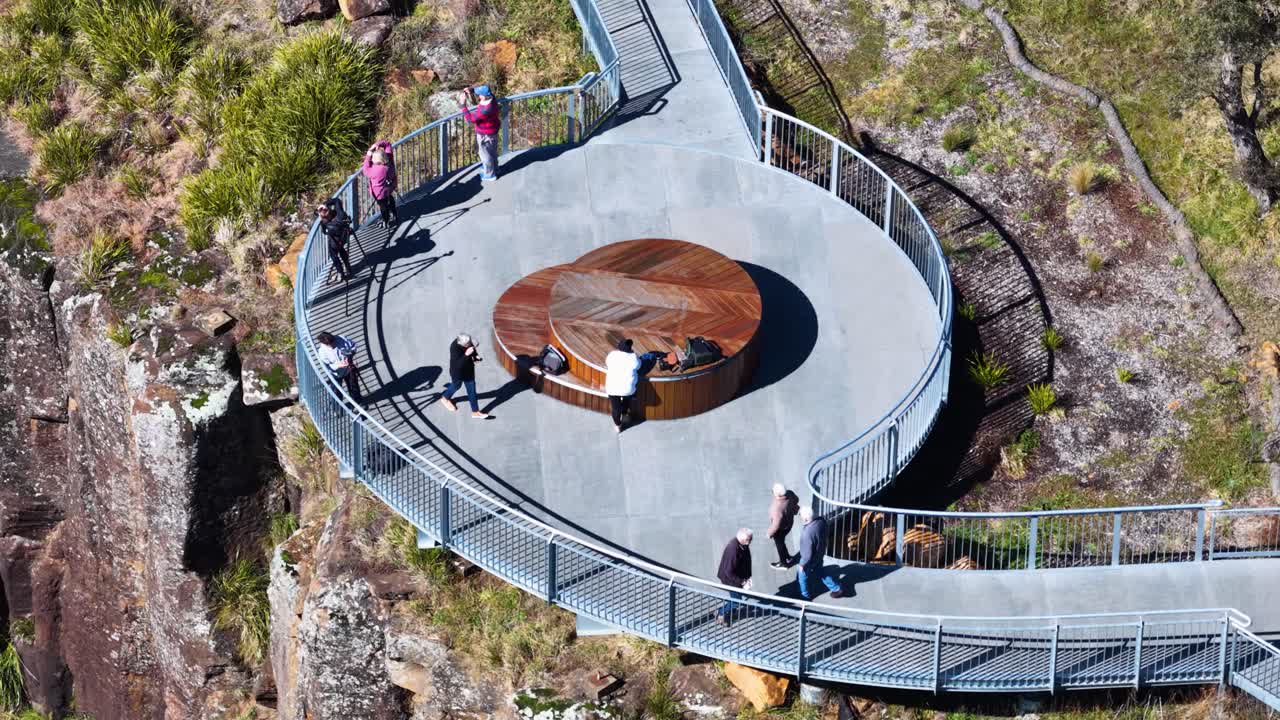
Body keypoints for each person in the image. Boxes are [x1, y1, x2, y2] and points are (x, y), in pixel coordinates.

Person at [439, 333, 491, 419]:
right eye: (468, 344)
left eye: (470, 342)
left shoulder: (467, 341)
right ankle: (445, 397)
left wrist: (475, 356)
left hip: (469, 371)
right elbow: (458, 365)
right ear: (462, 344)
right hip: (457, 372)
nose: (470, 344)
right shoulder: (454, 348)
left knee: (472, 390)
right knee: (456, 385)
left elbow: (472, 347)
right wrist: (467, 354)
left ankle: (475, 412)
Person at [456, 85, 501, 181]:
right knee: (492, 151)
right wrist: (471, 90)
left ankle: (490, 175)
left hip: (485, 134)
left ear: (484, 96)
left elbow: (471, 119)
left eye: (479, 95)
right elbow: (483, 90)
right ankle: (495, 169)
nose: (478, 96)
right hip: (493, 131)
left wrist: (463, 105)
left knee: (485, 154)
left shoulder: (485, 109)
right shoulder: (492, 98)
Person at [797, 507, 843, 600]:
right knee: (819, 571)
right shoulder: (821, 521)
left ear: (806, 519)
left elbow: (807, 555)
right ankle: (836, 588)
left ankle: (804, 596)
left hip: (811, 557)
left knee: (802, 575)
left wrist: (802, 565)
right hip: (820, 552)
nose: (800, 517)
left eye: (800, 516)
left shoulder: (807, 533)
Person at [716, 528, 753, 627]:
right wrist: (742, 582)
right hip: (730, 580)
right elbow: (728, 571)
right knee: (736, 600)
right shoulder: (733, 549)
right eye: (749, 539)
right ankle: (721, 612)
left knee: (735, 598)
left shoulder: (743, 545)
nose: (750, 542)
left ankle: (729, 612)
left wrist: (748, 576)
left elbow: (747, 560)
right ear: (742, 539)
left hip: (737, 578)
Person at [604, 339, 641, 433]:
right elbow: (638, 366)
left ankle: (618, 425)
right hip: (627, 389)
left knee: (615, 408)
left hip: (612, 387)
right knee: (628, 395)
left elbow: (607, 363)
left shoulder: (612, 355)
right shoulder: (633, 357)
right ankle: (624, 413)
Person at [362, 140, 398, 228]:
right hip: (389, 187)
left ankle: (386, 220)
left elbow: (365, 169)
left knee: (383, 206)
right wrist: (378, 144)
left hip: (378, 193)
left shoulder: (375, 170)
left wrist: (369, 154)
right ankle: (394, 213)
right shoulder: (390, 162)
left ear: (375, 160)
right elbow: (388, 144)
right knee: (390, 199)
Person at [315, 331, 360, 400]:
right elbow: (327, 367)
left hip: (348, 369)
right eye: (330, 344)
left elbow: (354, 345)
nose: (333, 345)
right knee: (336, 392)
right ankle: (339, 408)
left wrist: (350, 354)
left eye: (333, 342)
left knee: (354, 388)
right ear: (324, 344)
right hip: (335, 374)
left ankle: (358, 402)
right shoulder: (322, 352)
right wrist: (338, 366)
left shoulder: (342, 339)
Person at [316, 199, 353, 281]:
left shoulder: (327, 225)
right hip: (345, 237)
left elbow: (324, 232)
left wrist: (321, 215)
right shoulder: (340, 214)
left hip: (337, 242)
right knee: (341, 248)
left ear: (323, 217)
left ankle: (340, 272)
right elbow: (337, 201)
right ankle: (347, 266)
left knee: (332, 253)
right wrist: (325, 204)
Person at [766, 483, 801, 569]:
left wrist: (769, 533)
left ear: (777, 494)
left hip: (780, 529)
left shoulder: (777, 508)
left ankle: (783, 563)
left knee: (779, 544)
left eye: (773, 491)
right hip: (789, 523)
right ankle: (788, 557)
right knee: (782, 542)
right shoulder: (790, 493)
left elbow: (776, 525)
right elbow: (796, 499)